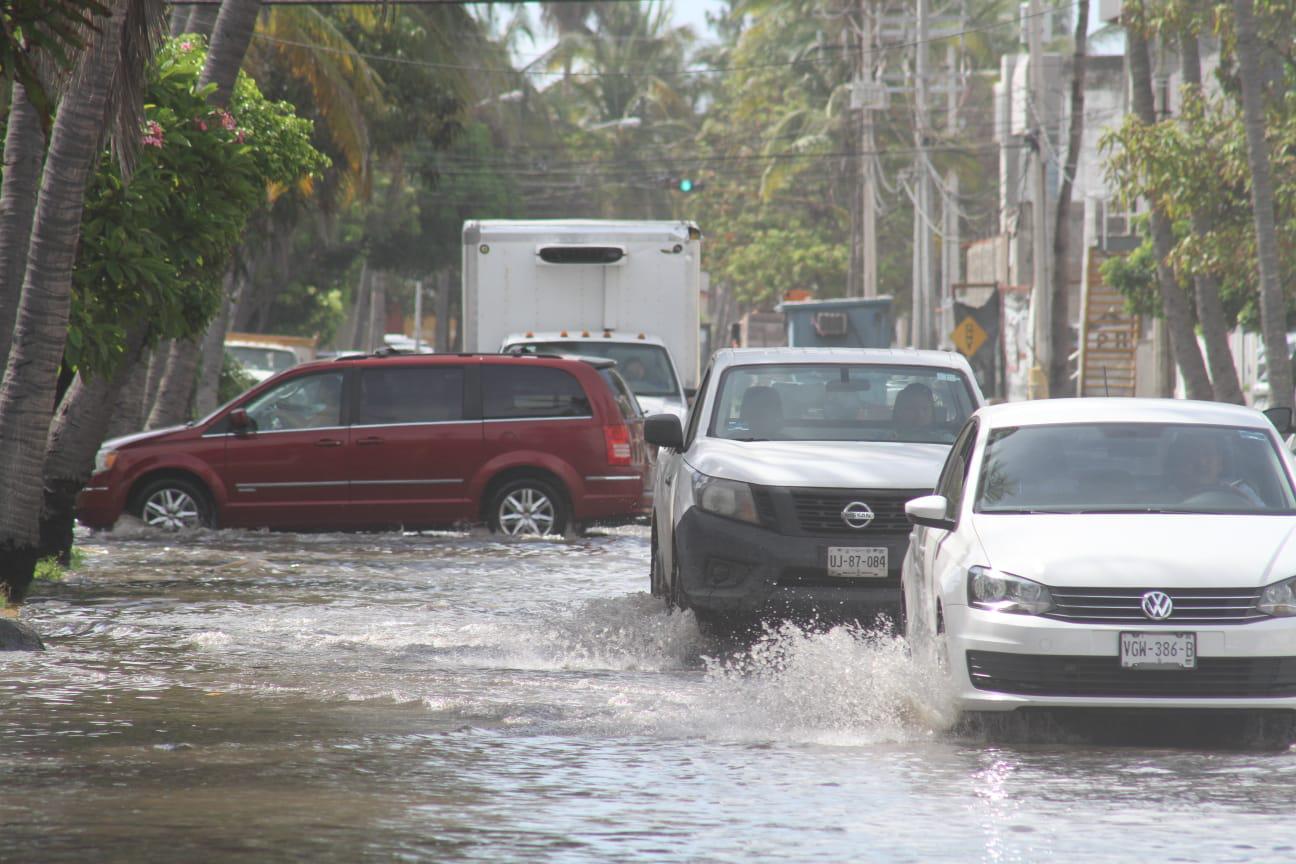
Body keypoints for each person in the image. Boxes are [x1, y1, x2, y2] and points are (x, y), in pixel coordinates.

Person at [1166, 430, 1263, 506]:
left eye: (1208, 453)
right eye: (1193, 454)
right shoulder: (1161, 500)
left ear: (1220, 463)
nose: (1202, 462)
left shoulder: (1243, 493)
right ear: (1180, 463)